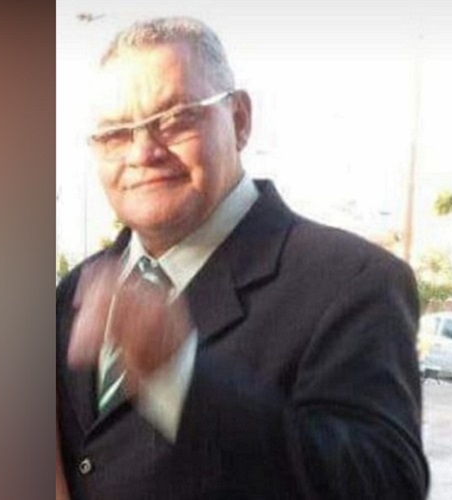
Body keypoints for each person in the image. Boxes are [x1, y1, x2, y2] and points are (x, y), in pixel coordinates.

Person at [56, 16, 428, 499]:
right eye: (115, 134)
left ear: (239, 120)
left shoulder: (352, 282)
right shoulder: (74, 293)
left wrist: (177, 375)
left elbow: (385, 485)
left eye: (175, 118)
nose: (143, 151)